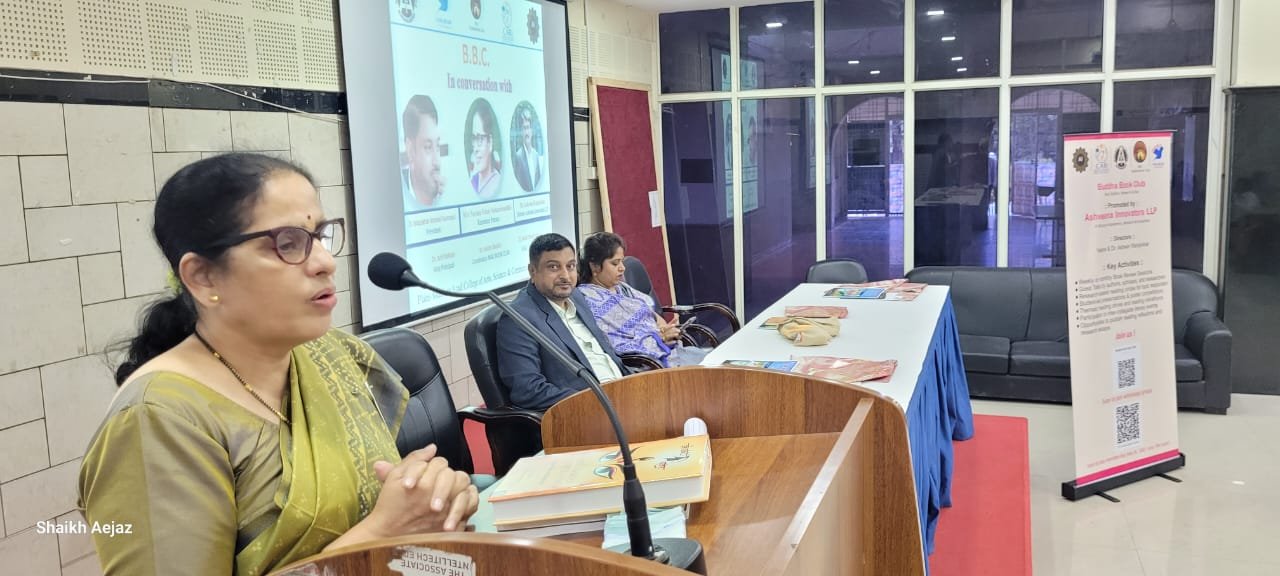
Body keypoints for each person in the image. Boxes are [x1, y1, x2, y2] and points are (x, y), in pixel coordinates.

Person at [78, 154, 478, 575]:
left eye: (320, 235)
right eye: (288, 243)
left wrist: (435, 499)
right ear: (202, 277)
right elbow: (383, 527)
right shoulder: (160, 420)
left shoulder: (331, 355)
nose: (325, 261)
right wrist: (381, 535)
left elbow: (386, 503)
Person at [497, 233, 627, 411]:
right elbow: (528, 390)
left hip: (622, 393)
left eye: (570, 266)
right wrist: (594, 401)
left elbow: (606, 353)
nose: (565, 276)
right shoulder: (518, 318)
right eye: (554, 267)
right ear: (533, 271)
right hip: (585, 412)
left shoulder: (576, 296)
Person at [576, 232, 709, 368]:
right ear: (594, 266)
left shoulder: (622, 288)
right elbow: (617, 347)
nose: (622, 268)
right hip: (647, 365)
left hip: (667, 351)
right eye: (615, 263)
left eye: (622, 261)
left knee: (714, 361)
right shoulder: (589, 301)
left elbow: (653, 316)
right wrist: (660, 338)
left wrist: (665, 330)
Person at [402, 95, 446, 209]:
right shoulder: (398, 191)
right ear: (410, 150)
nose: (437, 161)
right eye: (428, 147)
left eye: (438, 146)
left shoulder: (443, 193)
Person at [466, 99, 503, 199]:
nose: (475, 148)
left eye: (480, 139)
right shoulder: (473, 181)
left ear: (490, 143)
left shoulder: (497, 182)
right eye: (474, 138)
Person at [512, 107, 544, 192]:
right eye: (524, 128)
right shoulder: (518, 156)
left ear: (532, 130)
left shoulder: (536, 155)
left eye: (528, 127)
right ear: (521, 132)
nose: (526, 132)